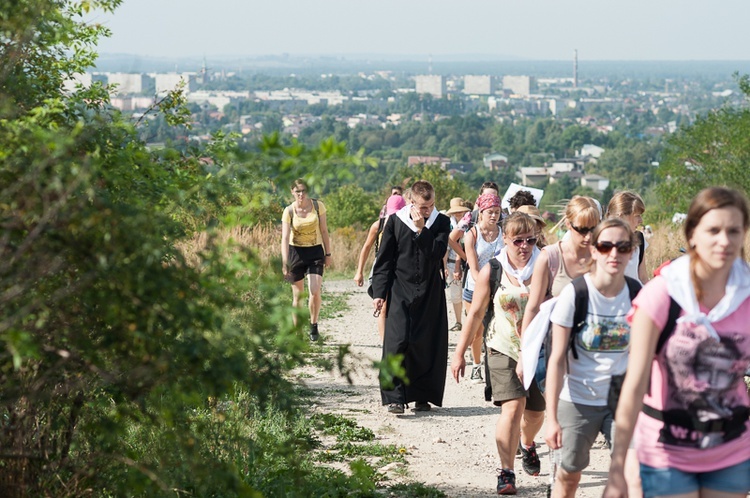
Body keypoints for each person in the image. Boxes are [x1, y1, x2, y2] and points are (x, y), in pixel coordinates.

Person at [604, 187, 750, 498]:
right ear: (692, 233)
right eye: (713, 230)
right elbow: (634, 384)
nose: (724, 241)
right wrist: (619, 467)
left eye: (734, 230)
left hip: (732, 449)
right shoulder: (661, 295)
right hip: (667, 452)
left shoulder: (747, 297)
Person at [545, 218, 641, 498]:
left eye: (623, 247)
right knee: (570, 476)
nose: (614, 253)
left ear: (632, 251)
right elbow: (557, 359)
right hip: (578, 399)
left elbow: (646, 357)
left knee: (630, 476)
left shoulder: (637, 294)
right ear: (595, 250)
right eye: (606, 245)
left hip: (620, 401)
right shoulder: (576, 294)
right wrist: (551, 418)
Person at [451, 212, 545, 495]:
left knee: (536, 412)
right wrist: (459, 353)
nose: (524, 246)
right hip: (502, 345)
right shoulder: (492, 269)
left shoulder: (546, 266)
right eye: (518, 240)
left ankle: (527, 443)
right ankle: (506, 472)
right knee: (513, 408)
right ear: (505, 239)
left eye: (530, 240)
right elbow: (476, 314)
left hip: (538, 349)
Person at [371, 180, 451, 414]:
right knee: (396, 342)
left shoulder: (442, 222)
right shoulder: (395, 222)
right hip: (400, 290)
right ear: (411, 202)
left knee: (424, 344)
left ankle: (421, 395)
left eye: (431, 206)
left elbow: (436, 254)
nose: (427, 211)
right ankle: (394, 397)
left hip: (430, 292)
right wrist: (379, 293)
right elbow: (384, 260)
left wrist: (421, 230)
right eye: (422, 207)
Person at [521, 196, 601, 338]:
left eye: (593, 229)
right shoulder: (549, 257)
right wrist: (524, 352)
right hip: (554, 341)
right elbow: (533, 307)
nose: (588, 237)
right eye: (582, 230)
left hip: (592, 344)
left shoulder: (602, 257)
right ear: (568, 224)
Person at [280, 179, 332, 342]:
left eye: (303, 191)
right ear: (292, 192)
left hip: (315, 251)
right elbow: (285, 237)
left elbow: (324, 230)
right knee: (298, 296)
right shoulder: (288, 211)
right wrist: (284, 261)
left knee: (315, 290)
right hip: (295, 252)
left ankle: (313, 324)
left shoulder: (318, 206)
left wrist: (328, 254)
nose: (301, 194)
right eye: (297, 191)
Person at [462, 192, 504, 383]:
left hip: (498, 287)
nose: (494, 216)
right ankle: (476, 365)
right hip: (474, 287)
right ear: (481, 213)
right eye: (490, 212)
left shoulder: (504, 233)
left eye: (497, 212)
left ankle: (494, 368)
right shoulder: (472, 235)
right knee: (477, 330)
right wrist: (484, 286)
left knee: (496, 329)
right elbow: (473, 267)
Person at [353, 194, 406, 341]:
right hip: (382, 267)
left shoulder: (409, 225)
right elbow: (367, 247)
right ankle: (386, 347)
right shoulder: (378, 226)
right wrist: (359, 272)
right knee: (383, 307)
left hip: (401, 267)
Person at [607, 190, 649, 283]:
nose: (641, 220)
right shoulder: (601, 243)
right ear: (621, 216)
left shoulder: (639, 239)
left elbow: (643, 277)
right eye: (637, 215)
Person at [444, 197, 472, 332]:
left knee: (467, 293)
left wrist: (457, 266)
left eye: (460, 212)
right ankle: (458, 321)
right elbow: (446, 248)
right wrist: (443, 266)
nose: (458, 214)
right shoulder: (449, 225)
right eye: (456, 212)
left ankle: (468, 322)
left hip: (466, 262)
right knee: (455, 294)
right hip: (451, 262)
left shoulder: (468, 224)